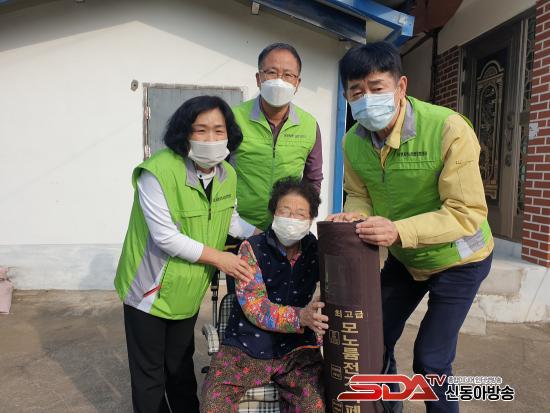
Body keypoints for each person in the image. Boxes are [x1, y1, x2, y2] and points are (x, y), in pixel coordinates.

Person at [328, 42, 494, 413]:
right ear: (346, 97)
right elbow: (359, 194)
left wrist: (398, 231)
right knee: (373, 339)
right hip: (406, 257)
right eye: (356, 92)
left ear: (401, 86)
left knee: (431, 361)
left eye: (376, 87)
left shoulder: (448, 128)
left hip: (460, 258)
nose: (367, 99)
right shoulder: (353, 142)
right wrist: (354, 215)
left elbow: (466, 211)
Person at [114, 96, 254, 413]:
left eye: (218, 130)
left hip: (188, 290)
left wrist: (268, 232)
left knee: (179, 368)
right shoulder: (158, 172)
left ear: (229, 134)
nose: (210, 138)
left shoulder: (227, 175)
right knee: (150, 376)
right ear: (184, 133)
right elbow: (165, 236)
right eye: (200, 130)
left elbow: (231, 220)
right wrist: (221, 259)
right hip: (149, 290)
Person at [200, 178, 329, 413]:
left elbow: (340, 279)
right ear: (273, 213)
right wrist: (301, 317)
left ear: (310, 219)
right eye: (285, 211)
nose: (291, 218)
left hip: (298, 351)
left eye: (300, 214)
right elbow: (256, 307)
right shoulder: (251, 248)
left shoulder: (317, 250)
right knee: (213, 404)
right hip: (245, 347)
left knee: (314, 405)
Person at [231, 43, 324, 235]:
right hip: (238, 227)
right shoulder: (233, 119)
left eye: (288, 75)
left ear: (297, 83)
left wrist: (302, 219)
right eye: (272, 72)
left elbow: (313, 179)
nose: (279, 80)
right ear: (259, 78)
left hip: (286, 229)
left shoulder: (309, 125)